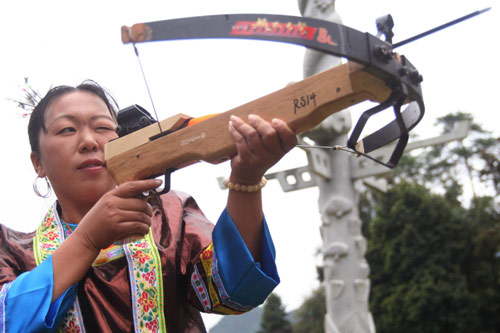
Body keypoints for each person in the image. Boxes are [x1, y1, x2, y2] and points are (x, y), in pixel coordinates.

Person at [0, 80, 297, 332]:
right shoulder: (12, 250)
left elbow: (237, 291)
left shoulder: (170, 215)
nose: (89, 141)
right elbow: (9, 321)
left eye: (103, 127)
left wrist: (246, 179)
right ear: (38, 162)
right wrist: (89, 238)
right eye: (66, 130)